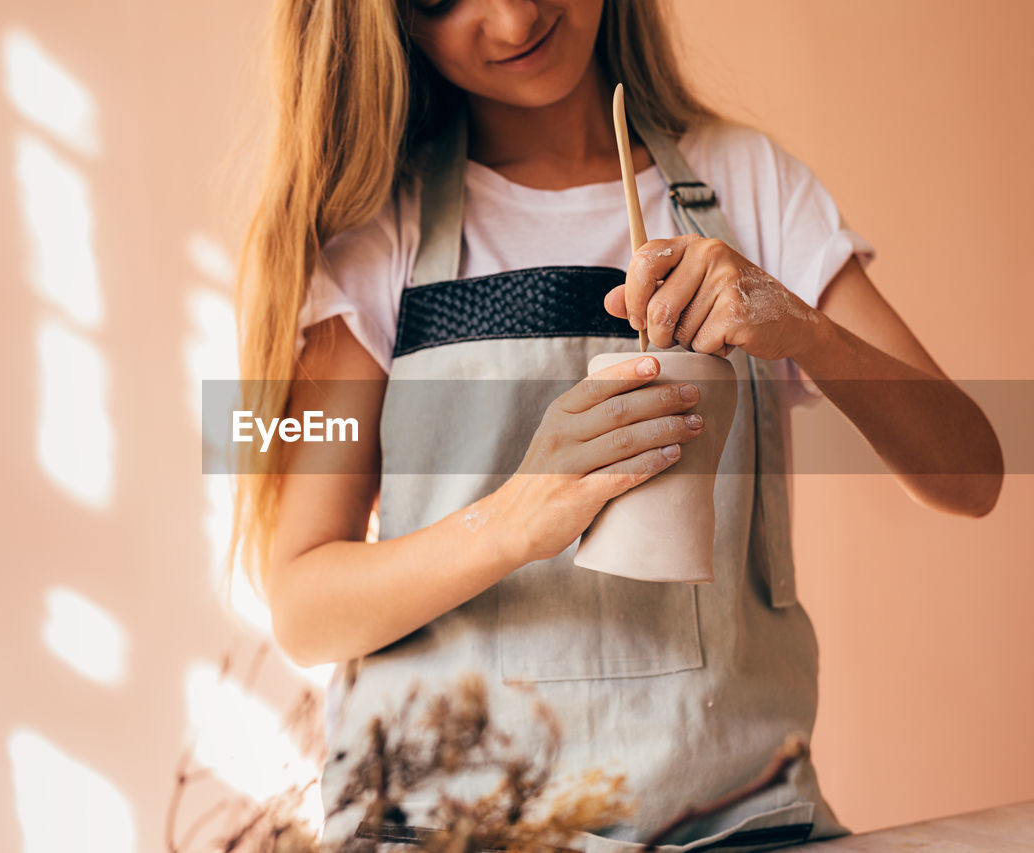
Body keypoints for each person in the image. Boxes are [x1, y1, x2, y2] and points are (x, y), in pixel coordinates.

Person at [227, 0, 1004, 849]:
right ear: (392, 25)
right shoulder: (379, 235)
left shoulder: (749, 187)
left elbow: (972, 474)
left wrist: (799, 326)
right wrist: (518, 516)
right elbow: (302, 604)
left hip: (737, 822)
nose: (516, 16)